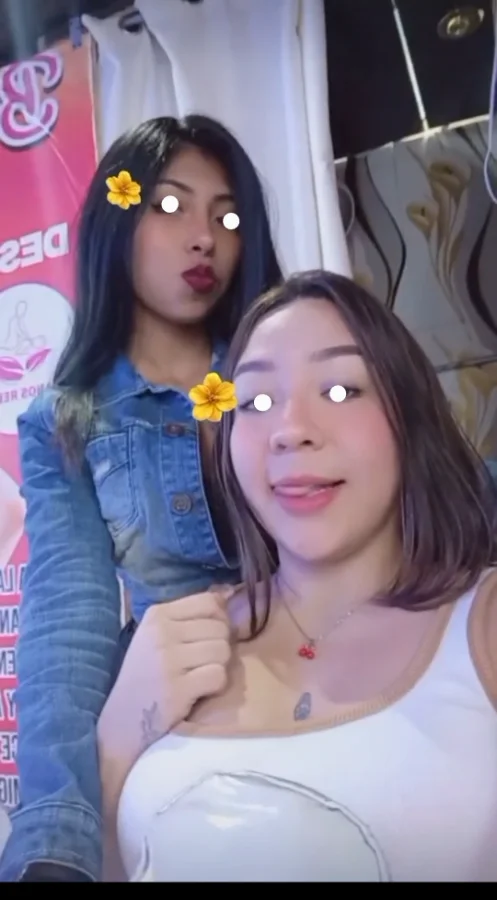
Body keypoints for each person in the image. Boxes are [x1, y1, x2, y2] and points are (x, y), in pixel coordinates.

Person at [96, 271, 497, 882]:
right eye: (256, 402)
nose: (289, 430)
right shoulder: (173, 641)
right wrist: (120, 728)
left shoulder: (481, 627)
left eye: (339, 390)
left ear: (410, 416)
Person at [0, 115, 281, 883]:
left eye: (228, 218)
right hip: (186, 742)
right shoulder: (65, 421)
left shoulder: (286, 369)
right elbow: (67, 628)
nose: (204, 238)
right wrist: (55, 840)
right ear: (117, 219)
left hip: (342, 693)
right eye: (169, 206)